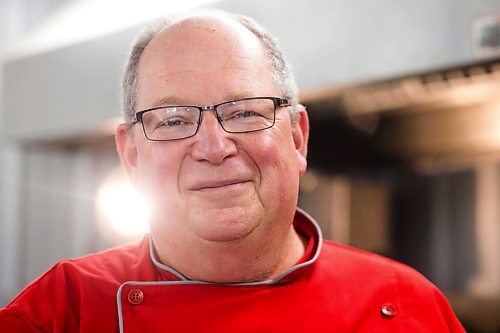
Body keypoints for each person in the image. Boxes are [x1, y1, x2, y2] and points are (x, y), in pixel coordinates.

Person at [0, 9, 465, 332]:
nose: (214, 147)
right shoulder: (61, 311)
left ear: (298, 138)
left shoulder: (406, 305)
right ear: (133, 157)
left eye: (243, 111)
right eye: (175, 120)